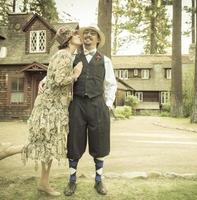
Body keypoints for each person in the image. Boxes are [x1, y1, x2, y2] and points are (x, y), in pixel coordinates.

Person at [0, 26, 83, 196]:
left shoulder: (67, 55)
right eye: (75, 34)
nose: (79, 36)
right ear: (69, 39)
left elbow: (52, 75)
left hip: (56, 107)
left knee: (48, 148)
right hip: (50, 109)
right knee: (42, 146)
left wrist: (46, 78)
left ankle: (43, 184)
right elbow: (61, 79)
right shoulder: (64, 55)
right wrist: (76, 74)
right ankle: (7, 151)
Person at [63, 24, 117, 196]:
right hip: (77, 105)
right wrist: (45, 80)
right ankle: (72, 181)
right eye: (85, 33)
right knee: (74, 142)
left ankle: (99, 181)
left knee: (99, 143)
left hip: (97, 105)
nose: (87, 35)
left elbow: (111, 84)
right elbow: (59, 73)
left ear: (98, 39)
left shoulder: (105, 60)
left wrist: (107, 104)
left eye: (92, 34)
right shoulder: (73, 57)